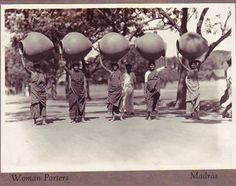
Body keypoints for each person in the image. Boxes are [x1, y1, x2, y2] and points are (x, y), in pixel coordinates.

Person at [19, 50, 47, 125]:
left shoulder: (42, 74)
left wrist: (45, 91)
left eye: (38, 67)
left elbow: (44, 84)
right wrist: (22, 56)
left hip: (42, 92)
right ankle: (35, 120)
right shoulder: (32, 73)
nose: (37, 68)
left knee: (43, 106)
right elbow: (25, 67)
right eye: (36, 67)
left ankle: (44, 120)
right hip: (34, 92)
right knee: (35, 105)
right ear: (34, 68)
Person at [99, 55, 124, 121]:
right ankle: (113, 117)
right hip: (112, 91)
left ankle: (121, 117)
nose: (114, 67)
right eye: (113, 66)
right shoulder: (111, 72)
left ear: (117, 67)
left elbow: (121, 81)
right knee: (111, 103)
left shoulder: (119, 72)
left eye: (116, 66)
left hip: (118, 90)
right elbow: (104, 67)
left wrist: (123, 89)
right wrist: (101, 61)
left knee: (120, 104)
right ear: (112, 67)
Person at [177, 53, 201, 120]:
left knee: (197, 100)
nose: (193, 65)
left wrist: (197, 60)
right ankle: (189, 113)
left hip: (196, 88)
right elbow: (182, 65)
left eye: (194, 64)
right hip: (190, 88)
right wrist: (178, 57)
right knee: (189, 100)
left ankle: (195, 114)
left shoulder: (196, 70)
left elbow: (199, 63)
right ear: (190, 65)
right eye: (191, 64)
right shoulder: (188, 71)